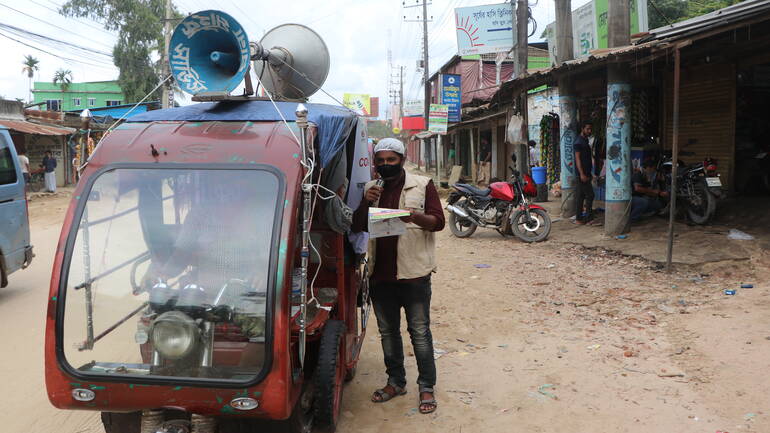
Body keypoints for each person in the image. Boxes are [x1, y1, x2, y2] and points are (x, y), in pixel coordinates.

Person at [351, 138, 444, 415]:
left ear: (402, 160)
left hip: (414, 275)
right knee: (388, 333)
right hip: (381, 277)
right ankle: (396, 382)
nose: (385, 165)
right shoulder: (371, 188)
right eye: (380, 161)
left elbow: (438, 222)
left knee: (419, 333)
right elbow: (356, 226)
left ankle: (426, 386)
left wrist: (414, 216)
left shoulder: (422, 185)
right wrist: (364, 205)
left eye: (391, 160)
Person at [573, 121, 594, 224]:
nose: (589, 131)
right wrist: (582, 173)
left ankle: (578, 219)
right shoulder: (578, 142)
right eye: (587, 129)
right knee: (590, 195)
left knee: (581, 196)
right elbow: (577, 159)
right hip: (582, 174)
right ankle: (588, 218)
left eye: (590, 129)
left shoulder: (585, 140)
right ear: (582, 129)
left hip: (586, 173)